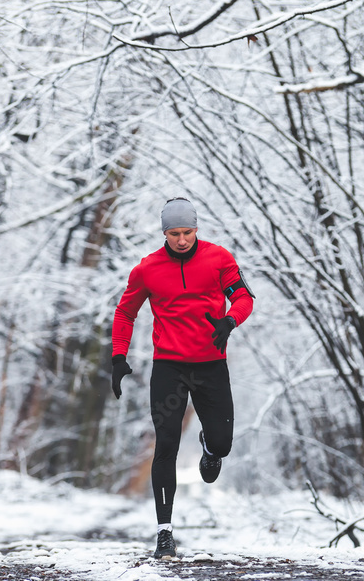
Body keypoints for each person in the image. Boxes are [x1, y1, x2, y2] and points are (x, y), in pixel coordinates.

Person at [110, 197, 255, 559]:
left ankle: (210, 446)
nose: (181, 240)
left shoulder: (219, 258)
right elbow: (125, 313)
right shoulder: (147, 269)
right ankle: (164, 534)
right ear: (164, 233)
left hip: (211, 365)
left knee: (222, 443)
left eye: (187, 232)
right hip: (169, 367)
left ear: (196, 229)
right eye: (174, 233)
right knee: (166, 446)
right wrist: (118, 356)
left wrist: (230, 320)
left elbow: (244, 297)